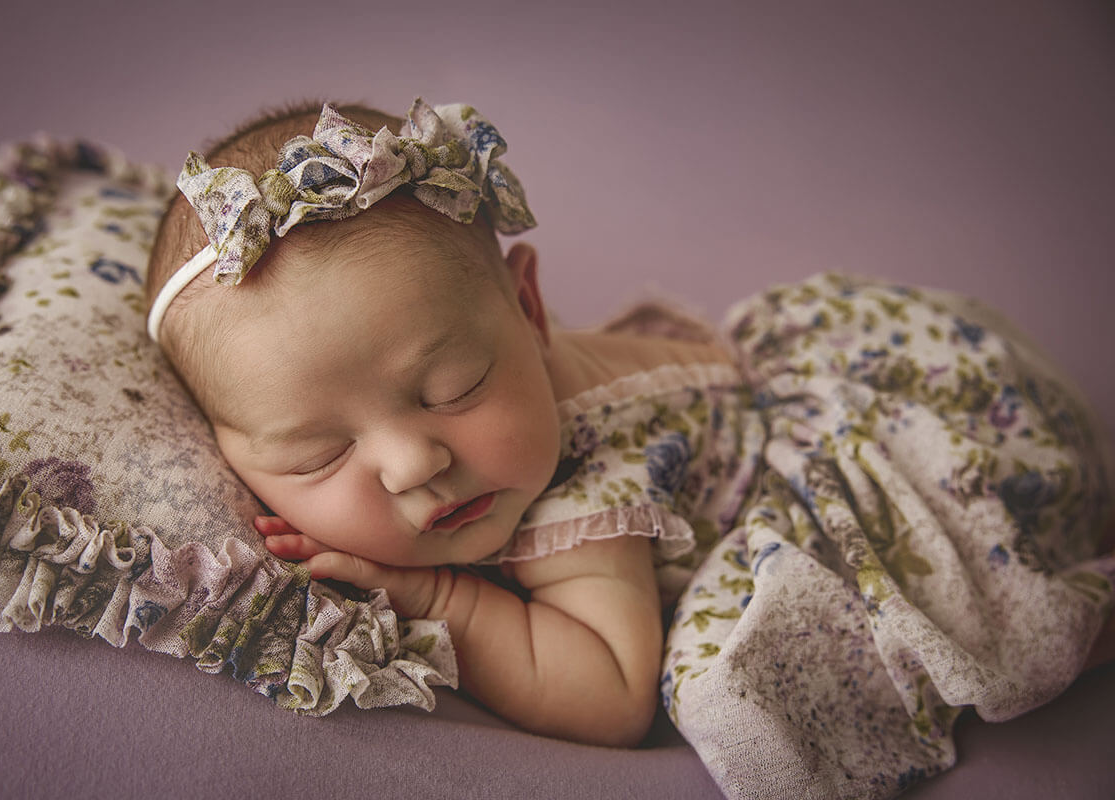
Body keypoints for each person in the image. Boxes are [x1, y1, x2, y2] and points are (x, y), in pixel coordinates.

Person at [145, 97, 1114, 780]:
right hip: (868, 357)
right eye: (318, 454)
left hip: (925, 445)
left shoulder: (587, 494)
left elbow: (611, 692)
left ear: (530, 307)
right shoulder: (469, 369)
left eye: (457, 387)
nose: (414, 463)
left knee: (724, 686)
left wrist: (436, 593)